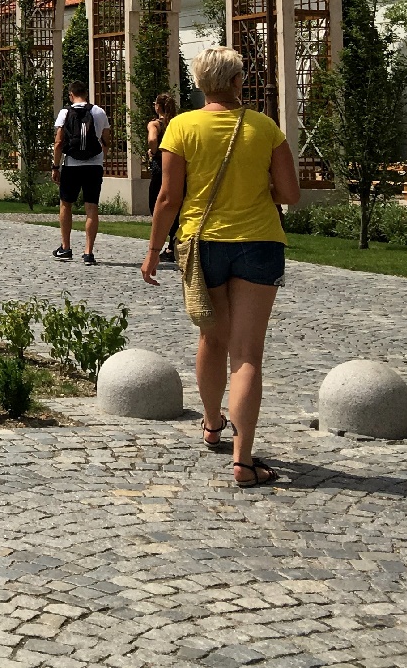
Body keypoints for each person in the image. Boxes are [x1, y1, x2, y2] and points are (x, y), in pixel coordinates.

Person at [141, 46, 300, 489]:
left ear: (199, 83)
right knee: (247, 353)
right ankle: (243, 460)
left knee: (211, 335)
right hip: (260, 242)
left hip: (202, 242)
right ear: (236, 82)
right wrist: (253, 192)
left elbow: (169, 198)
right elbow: (289, 193)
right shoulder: (265, 128)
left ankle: (211, 424)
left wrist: (154, 250)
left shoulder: (181, 127)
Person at [51, 81, 111, 265]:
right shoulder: (99, 112)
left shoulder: (65, 112)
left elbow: (59, 143)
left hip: (72, 165)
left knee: (66, 204)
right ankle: (88, 252)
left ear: (71, 95)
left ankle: (66, 248)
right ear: (86, 93)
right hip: (94, 166)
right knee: (91, 207)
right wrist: (102, 158)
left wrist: (55, 166)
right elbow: (107, 140)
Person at [147, 92, 178, 263]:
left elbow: (152, 139)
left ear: (158, 106)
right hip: (178, 167)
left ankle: (163, 244)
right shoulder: (176, 123)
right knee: (176, 204)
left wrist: (154, 151)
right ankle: (174, 244)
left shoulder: (155, 124)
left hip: (161, 166)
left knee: (156, 204)